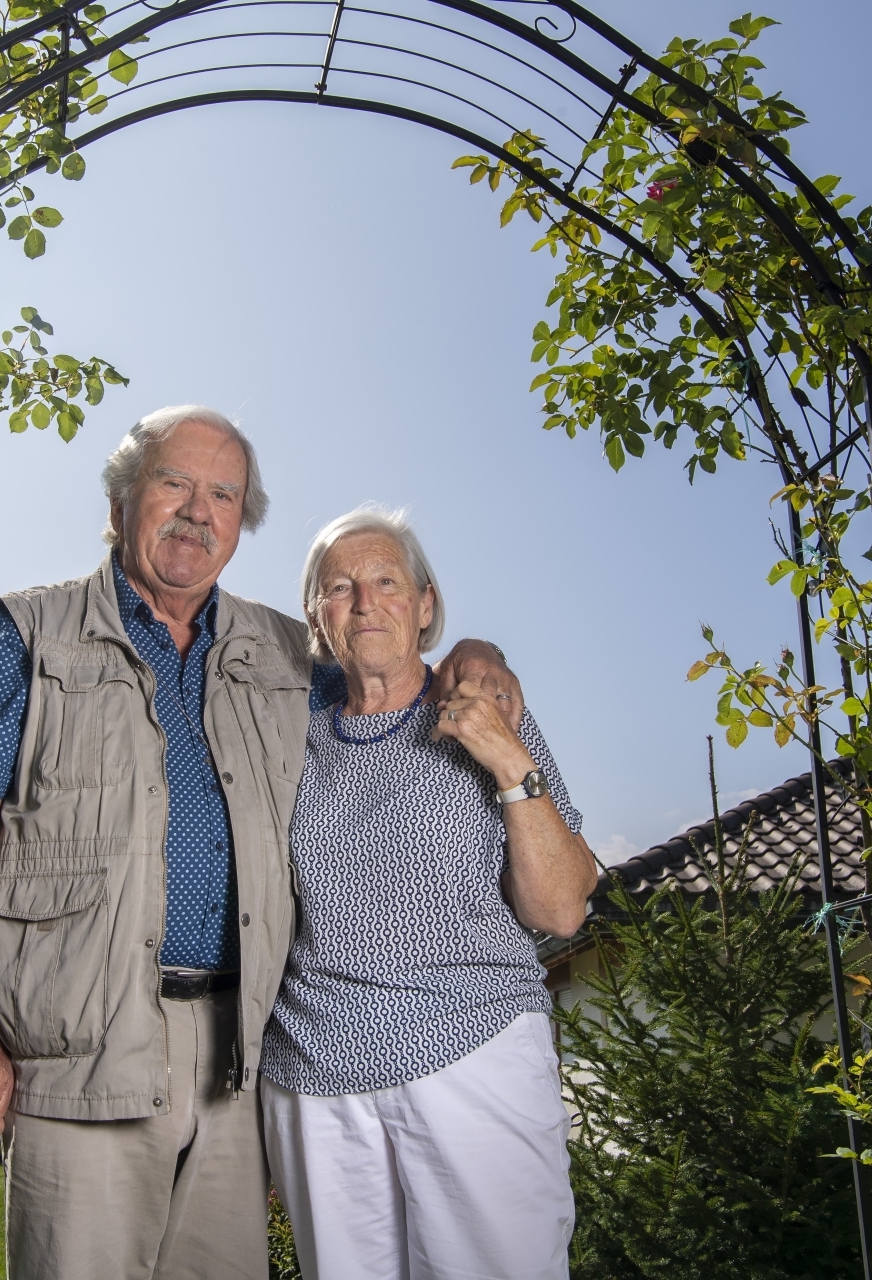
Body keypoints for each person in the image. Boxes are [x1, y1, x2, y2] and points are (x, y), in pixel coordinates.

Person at [0, 407, 521, 1280]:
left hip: (240, 1061)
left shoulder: (282, 652)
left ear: (242, 521)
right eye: (174, 483)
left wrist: (472, 647)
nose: (198, 511)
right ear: (124, 498)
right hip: (83, 1053)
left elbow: (385, 669)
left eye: (224, 494)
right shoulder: (29, 632)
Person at [261, 505, 599, 1280]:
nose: (365, 601)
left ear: (424, 606)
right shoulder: (288, 730)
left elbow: (560, 909)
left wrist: (510, 762)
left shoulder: (485, 708)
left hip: (472, 1058)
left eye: (386, 580)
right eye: (339, 587)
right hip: (313, 1079)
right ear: (317, 617)